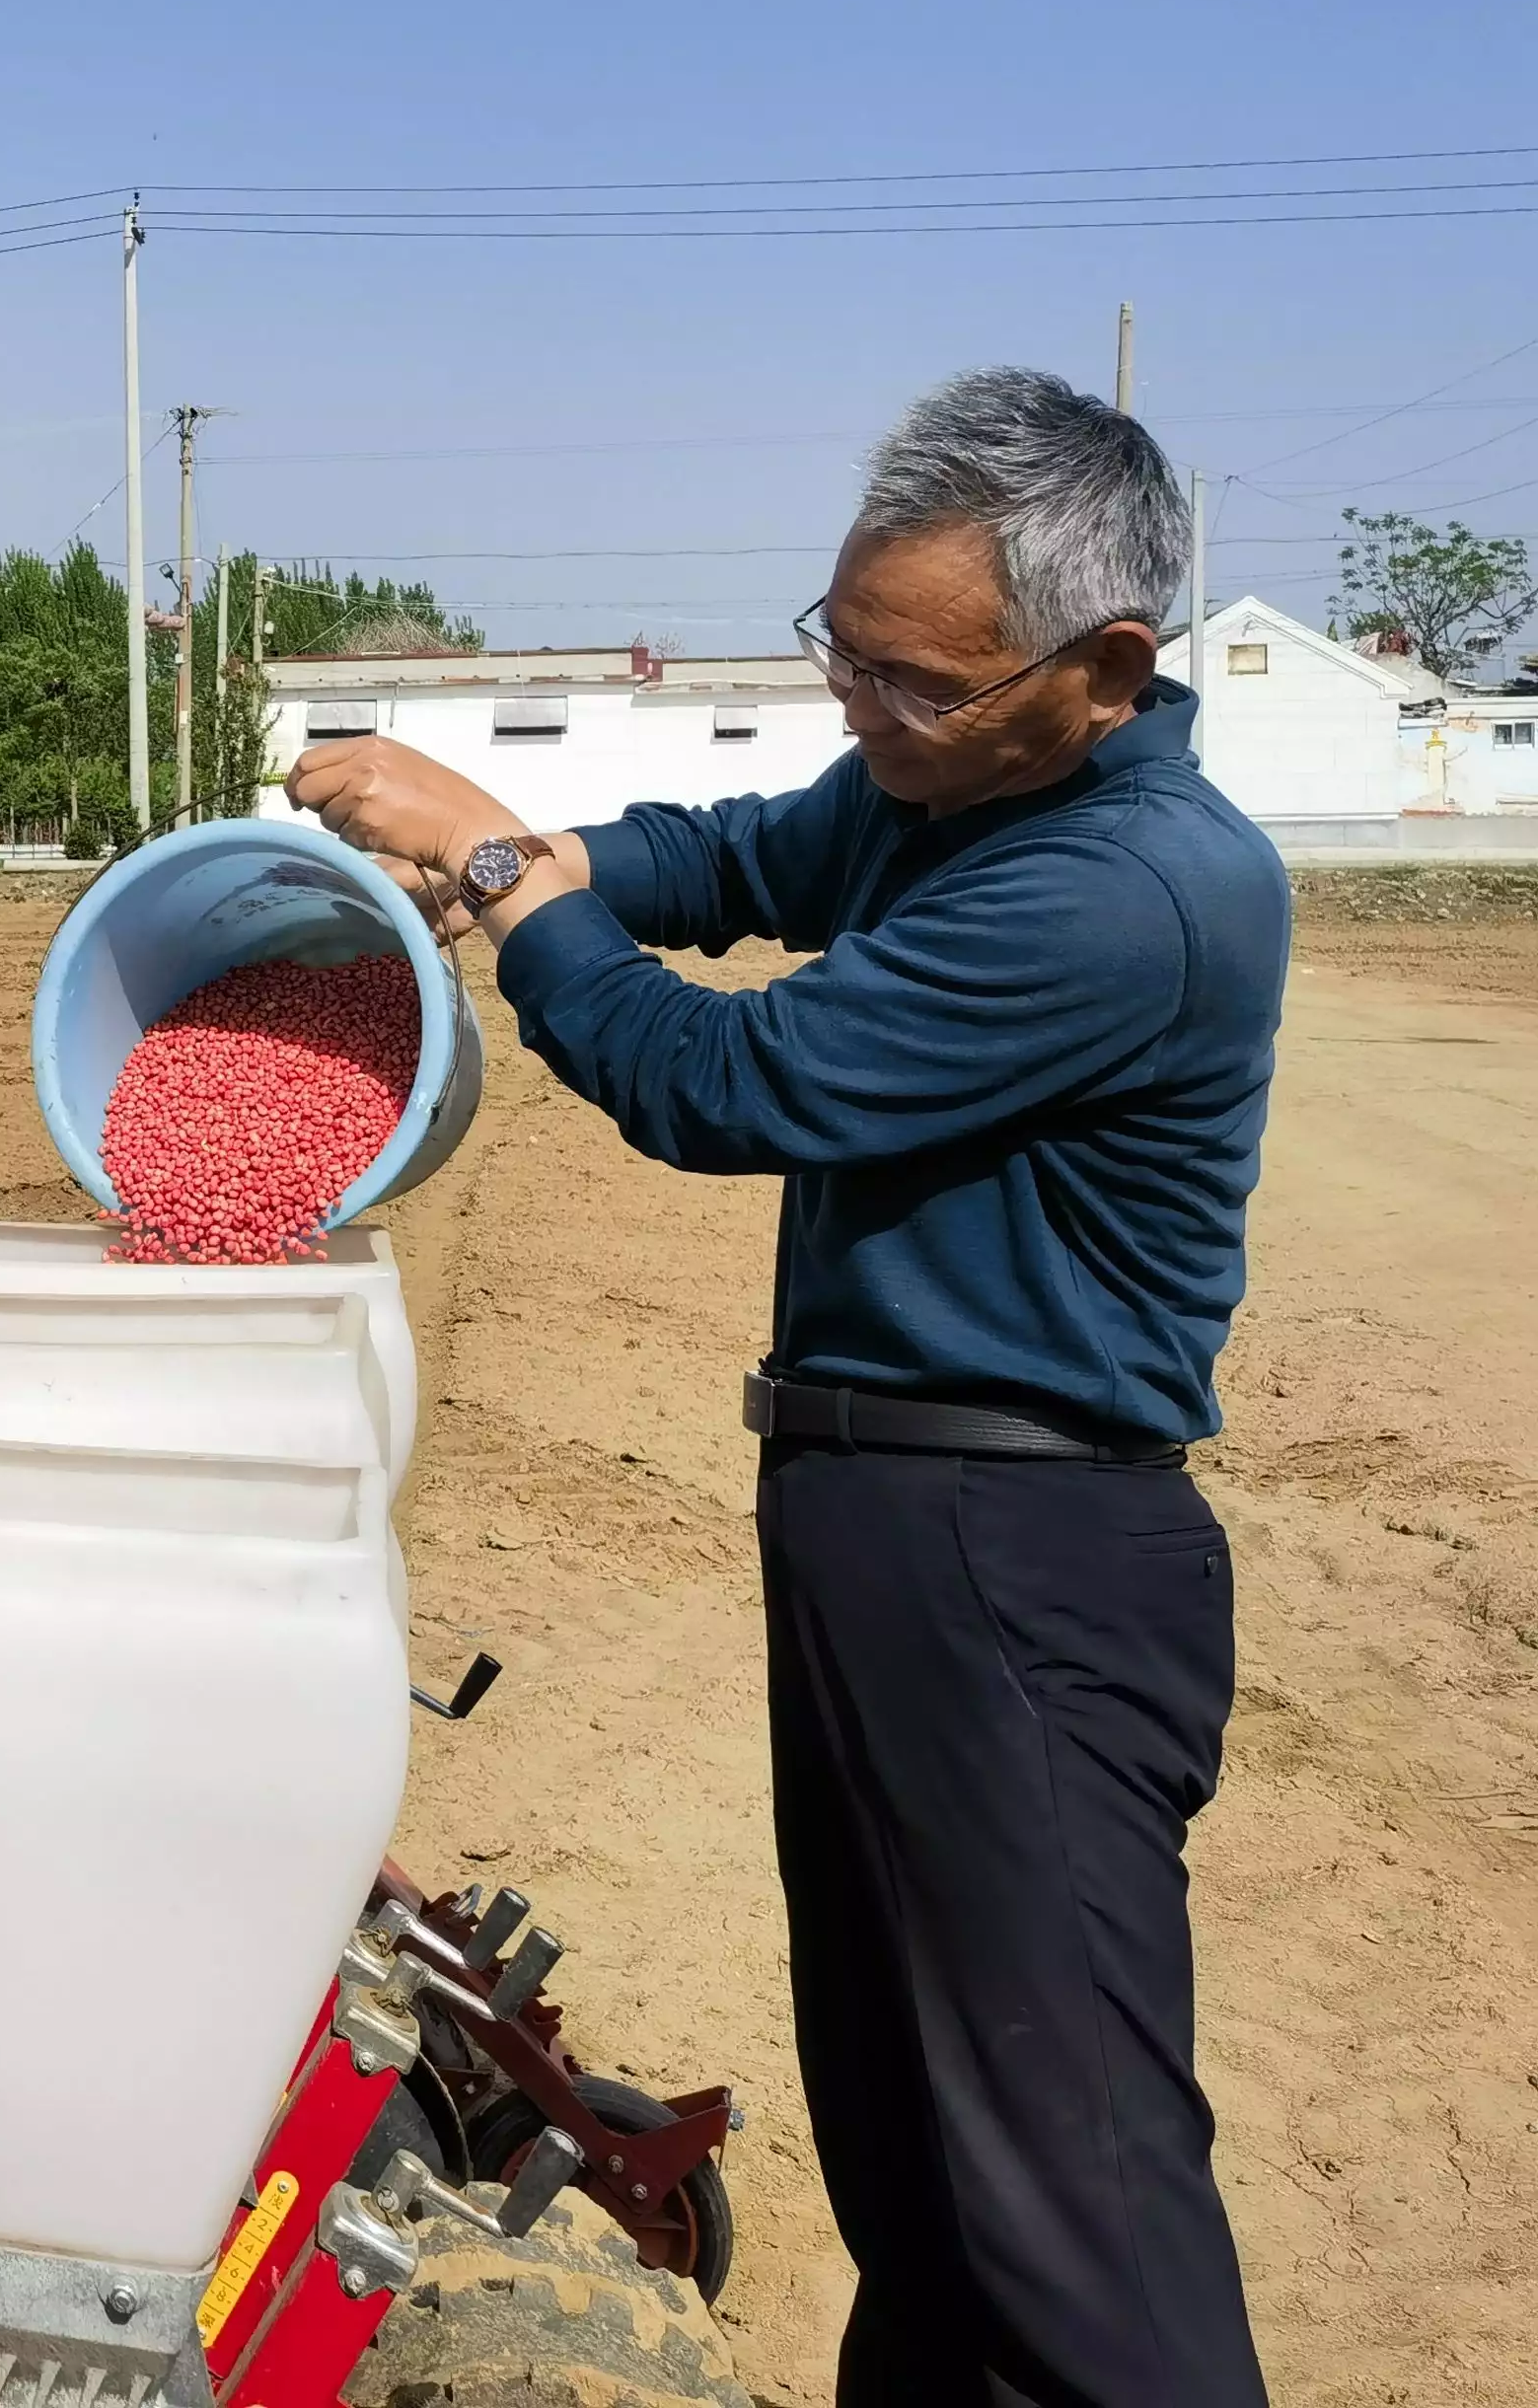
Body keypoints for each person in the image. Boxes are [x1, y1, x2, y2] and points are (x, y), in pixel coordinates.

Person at [287, 368, 1278, 2408]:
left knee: (1064, 2189)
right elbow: (727, 855)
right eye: (841, 648)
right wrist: (544, 854)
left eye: (908, 681)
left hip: (1013, 1550)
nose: (858, 709)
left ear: (1098, 667)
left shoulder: (1119, 890)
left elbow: (728, 1079)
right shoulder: (952, 786)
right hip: (886, 1527)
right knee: (919, 2155)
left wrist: (491, 870)